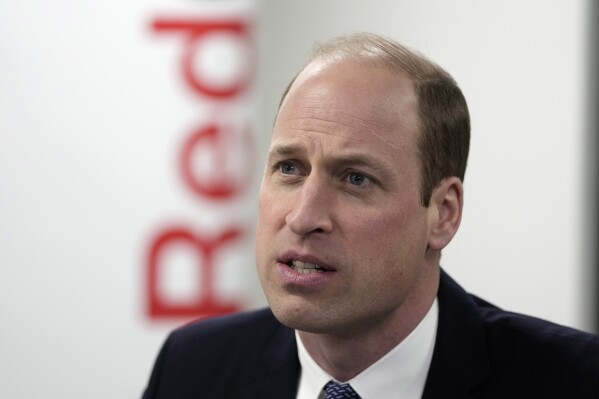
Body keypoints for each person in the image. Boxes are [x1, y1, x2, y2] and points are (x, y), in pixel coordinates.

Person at [142, 33, 599, 399]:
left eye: (355, 179)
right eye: (289, 168)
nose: (303, 217)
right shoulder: (192, 367)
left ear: (443, 214)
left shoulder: (575, 380)